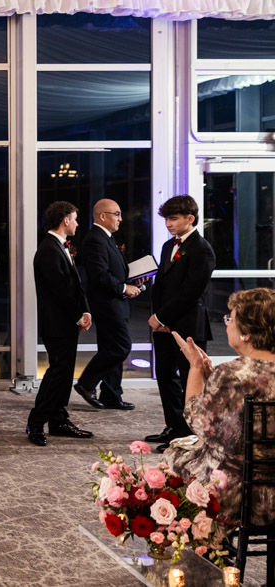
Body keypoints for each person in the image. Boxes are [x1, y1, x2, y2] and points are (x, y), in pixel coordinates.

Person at [165, 287, 275, 527]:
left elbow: (198, 422)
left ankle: (205, 552)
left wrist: (195, 368)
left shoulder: (233, 374)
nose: (227, 325)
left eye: (231, 319)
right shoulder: (229, 376)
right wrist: (211, 380)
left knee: (173, 457)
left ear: (246, 333)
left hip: (240, 495)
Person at [146, 195, 216, 453]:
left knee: (190, 380)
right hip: (165, 325)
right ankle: (174, 427)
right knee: (165, 376)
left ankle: (190, 435)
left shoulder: (202, 250)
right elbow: (162, 286)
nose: (168, 224)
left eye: (173, 219)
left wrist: (162, 317)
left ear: (190, 219)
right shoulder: (167, 246)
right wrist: (159, 318)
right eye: (166, 219)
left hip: (187, 326)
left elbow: (190, 292)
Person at [26, 201, 94, 446]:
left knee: (64, 374)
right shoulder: (48, 250)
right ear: (65, 220)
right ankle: (36, 422)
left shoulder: (59, 247)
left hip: (66, 322)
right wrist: (79, 315)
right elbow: (60, 291)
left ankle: (58, 420)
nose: (77, 223)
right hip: (57, 323)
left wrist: (84, 311)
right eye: (75, 219)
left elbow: (75, 285)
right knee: (57, 374)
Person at [73, 199, 140, 411]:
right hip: (107, 305)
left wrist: (134, 280)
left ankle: (112, 395)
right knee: (121, 347)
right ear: (103, 216)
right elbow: (100, 275)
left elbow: (114, 271)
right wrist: (123, 288)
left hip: (115, 304)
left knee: (111, 348)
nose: (121, 218)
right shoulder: (95, 240)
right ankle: (86, 383)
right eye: (117, 214)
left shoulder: (107, 238)